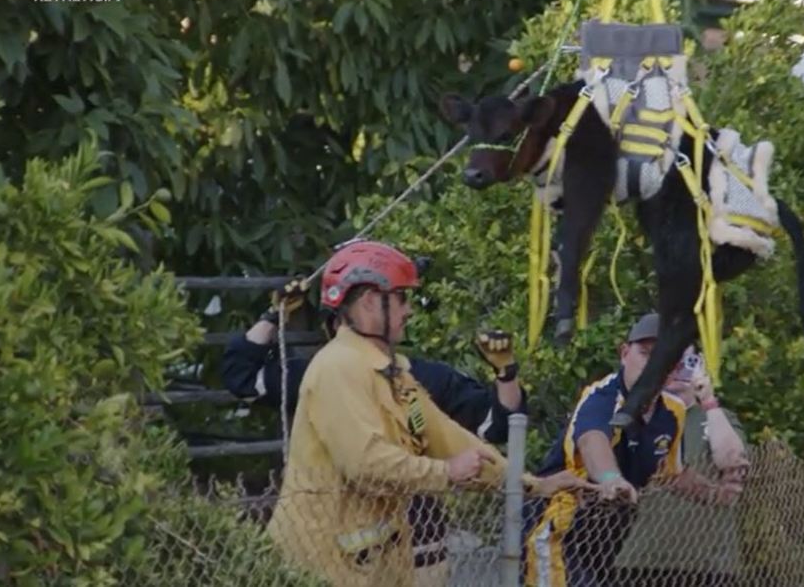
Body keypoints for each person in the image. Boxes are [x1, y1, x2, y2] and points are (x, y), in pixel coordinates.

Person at [264, 240, 589, 587]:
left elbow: (447, 439)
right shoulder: (338, 367)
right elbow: (365, 463)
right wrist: (446, 472)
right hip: (320, 568)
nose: (409, 311)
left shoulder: (393, 373)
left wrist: (531, 484)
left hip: (368, 565)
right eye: (402, 297)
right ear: (371, 301)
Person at [221, 267, 530, 578]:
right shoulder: (325, 373)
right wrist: (275, 315)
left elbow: (496, 427)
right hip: (346, 557)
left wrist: (506, 374)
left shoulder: (418, 378)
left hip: (420, 549)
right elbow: (243, 379)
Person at [522, 313, 744, 587]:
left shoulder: (672, 412)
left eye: (660, 356)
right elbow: (593, 441)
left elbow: (671, 473)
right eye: (644, 353)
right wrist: (610, 479)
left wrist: (714, 493)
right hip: (557, 530)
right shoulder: (602, 395)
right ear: (625, 353)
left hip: (606, 541)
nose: (651, 363)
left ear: (673, 366)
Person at [614, 346, 750, 586]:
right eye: (669, 360)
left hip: (709, 567)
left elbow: (732, 460)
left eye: (686, 361)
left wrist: (707, 400)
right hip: (639, 562)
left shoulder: (716, 417)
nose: (677, 368)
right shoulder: (635, 416)